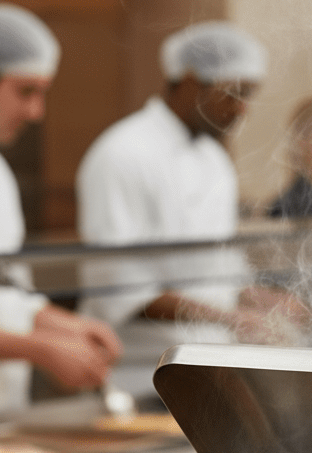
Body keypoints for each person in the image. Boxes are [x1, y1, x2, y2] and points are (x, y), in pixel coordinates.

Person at [0, 3, 121, 425]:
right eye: (25, 91)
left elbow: (2, 290)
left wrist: (60, 324)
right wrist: (40, 349)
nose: (36, 112)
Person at [76, 21, 284, 352]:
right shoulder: (122, 153)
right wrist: (228, 318)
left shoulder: (214, 157)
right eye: (235, 93)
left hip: (209, 354)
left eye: (249, 96)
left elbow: (220, 267)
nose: (243, 109)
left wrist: (265, 301)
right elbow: (120, 288)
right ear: (190, 81)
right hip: (143, 365)